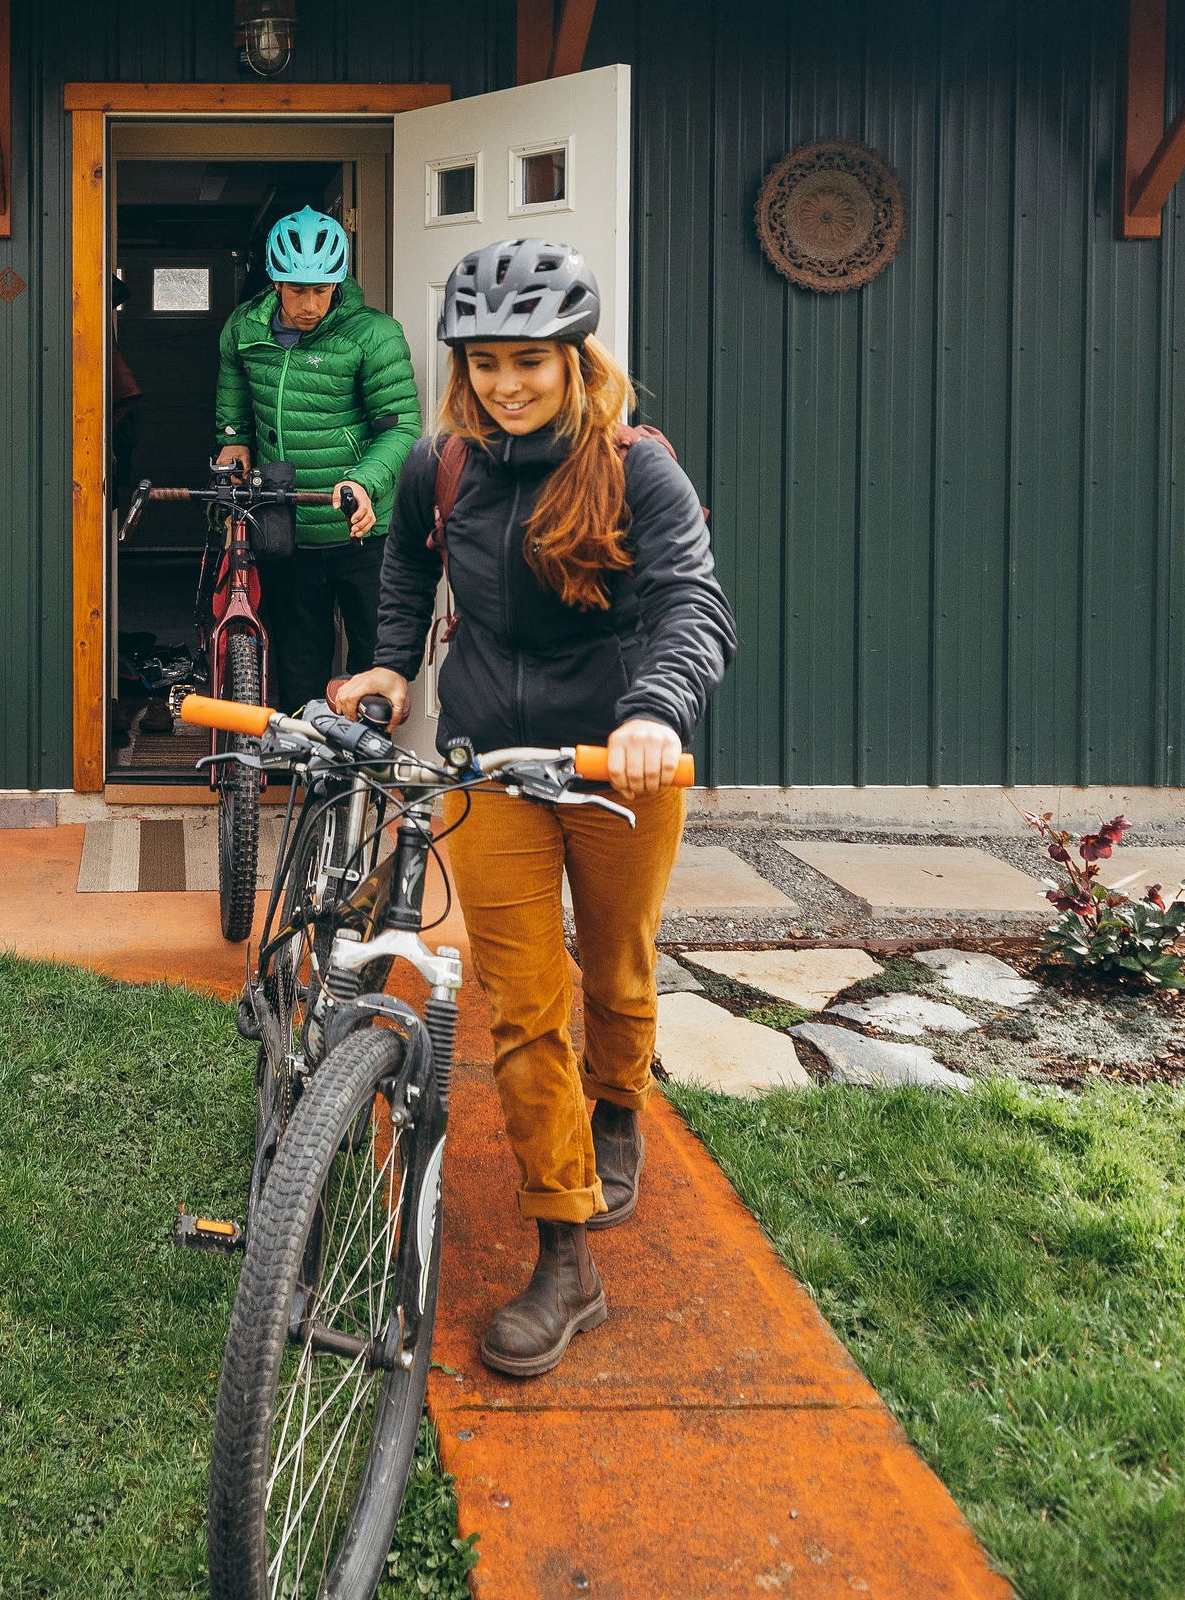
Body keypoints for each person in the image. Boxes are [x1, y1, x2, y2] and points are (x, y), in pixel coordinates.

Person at [332, 239, 734, 1379]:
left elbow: (689, 601)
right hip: (488, 754)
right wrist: (390, 666)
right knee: (520, 1006)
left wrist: (654, 712)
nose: (506, 384)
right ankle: (565, 1256)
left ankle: (617, 1107)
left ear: (572, 359)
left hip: (615, 765)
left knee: (614, 966)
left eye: (528, 361)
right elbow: (408, 570)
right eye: (485, 363)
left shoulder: (632, 466)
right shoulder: (441, 464)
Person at [212, 207, 421, 712]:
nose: (309, 305)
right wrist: (233, 437)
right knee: (300, 666)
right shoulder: (245, 328)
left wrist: (365, 481)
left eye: (321, 290)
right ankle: (308, 783)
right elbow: (234, 396)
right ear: (276, 282)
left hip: (362, 529)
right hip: (288, 525)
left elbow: (400, 426)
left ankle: (368, 783)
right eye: (298, 290)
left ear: (338, 282)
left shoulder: (374, 334)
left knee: (377, 668)